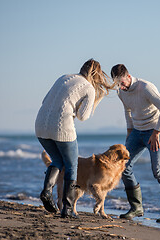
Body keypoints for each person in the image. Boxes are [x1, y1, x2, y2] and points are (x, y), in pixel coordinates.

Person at [35, 59, 114, 218]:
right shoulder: (89, 88)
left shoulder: (63, 77)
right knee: (72, 166)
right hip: (61, 127)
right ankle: (68, 209)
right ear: (96, 75)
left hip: (40, 125)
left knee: (57, 160)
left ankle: (47, 191)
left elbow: (44, 101)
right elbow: (82, 116)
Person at [111, 64, 160, 224]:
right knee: (123, 167)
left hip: (154, 131)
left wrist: (156, 132)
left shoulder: (146, 87)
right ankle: (136, 208)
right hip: (136, 132)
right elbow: (127, 111)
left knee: (158, 171)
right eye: (117, 84)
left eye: (122, 83)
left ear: (128, 76)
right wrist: (129, 133)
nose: (120, 87)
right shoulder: (120, 92)